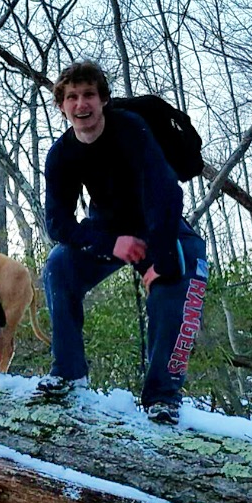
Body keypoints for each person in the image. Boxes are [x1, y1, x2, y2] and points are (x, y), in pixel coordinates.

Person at [37, 61, 208, 425]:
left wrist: (159, 257)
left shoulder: (131, 129)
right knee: (58, 266)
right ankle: (69, 374)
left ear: (103, 100)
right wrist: (109, 243)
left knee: (184, 271)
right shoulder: (61, 155)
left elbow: (166, 195)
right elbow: (58, 223)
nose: (81, 105)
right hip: (106, 229)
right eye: (72, 97)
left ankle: (163, 396)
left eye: (88, 96)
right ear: (62, 106)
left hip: (158, 224)